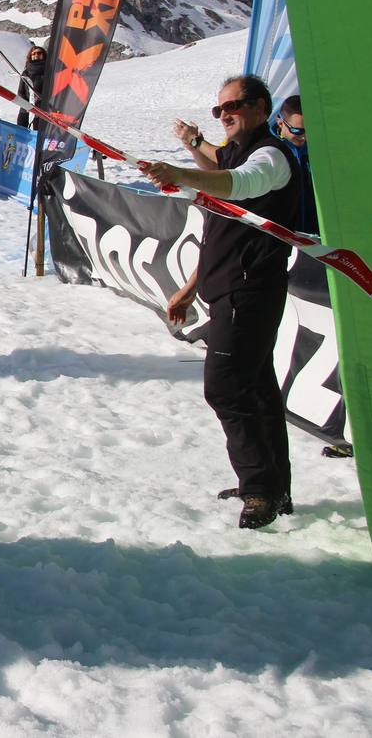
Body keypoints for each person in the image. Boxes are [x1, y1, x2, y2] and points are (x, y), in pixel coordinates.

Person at [143, 75, 300, 530]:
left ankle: (259, 490)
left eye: (234, 106)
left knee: (227, 387)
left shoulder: (270, 156)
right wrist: (189, 287)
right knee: (256, 388)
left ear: (262, 107)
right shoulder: (235, 151)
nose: (226, 114)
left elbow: (236, 184)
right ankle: (274, 485)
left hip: (250, 292)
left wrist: (179, 173)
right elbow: (219, 175)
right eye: (219, 109)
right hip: (227, 287)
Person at [273, 95, 317, 234]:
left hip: (316, 232)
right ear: (280, 123)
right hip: (287, 234)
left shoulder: (318, 146)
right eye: (298, 131)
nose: (305, 137)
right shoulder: (270, 150)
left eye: (310, 129)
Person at [16, 45, 46, 129]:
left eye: (39, 53)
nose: (36, 55)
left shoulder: (48, 72)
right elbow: (21, 91)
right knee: (21, 132)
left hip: (42, 110)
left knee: (38, 134)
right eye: (34, 53)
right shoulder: (26, 72)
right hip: (26, 108)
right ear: (30, 56)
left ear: (43, 55)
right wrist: (26, 105)